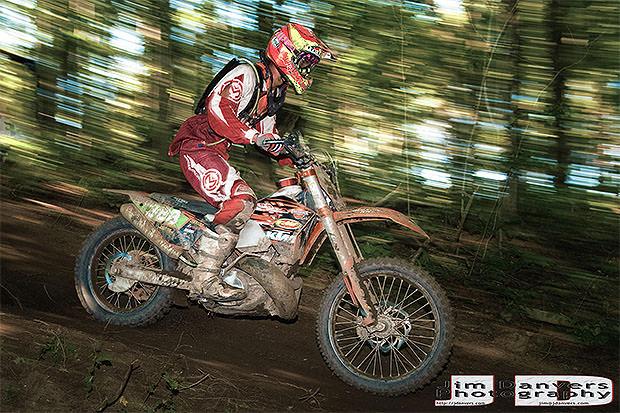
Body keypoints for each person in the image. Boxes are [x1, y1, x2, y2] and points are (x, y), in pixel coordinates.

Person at [168, 23, 334, 300]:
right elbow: (217, 110)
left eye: (311, 64)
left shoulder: (272, 95)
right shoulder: (247, 74)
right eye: (305, 61)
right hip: (197, 146)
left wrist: (301, 163)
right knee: (242, 201)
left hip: (216, 151)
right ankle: (205, 276)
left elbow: (270, 139)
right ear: (285, 53)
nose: (308, 69)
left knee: (268, 204)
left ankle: (232, 264)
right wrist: (252, 136)